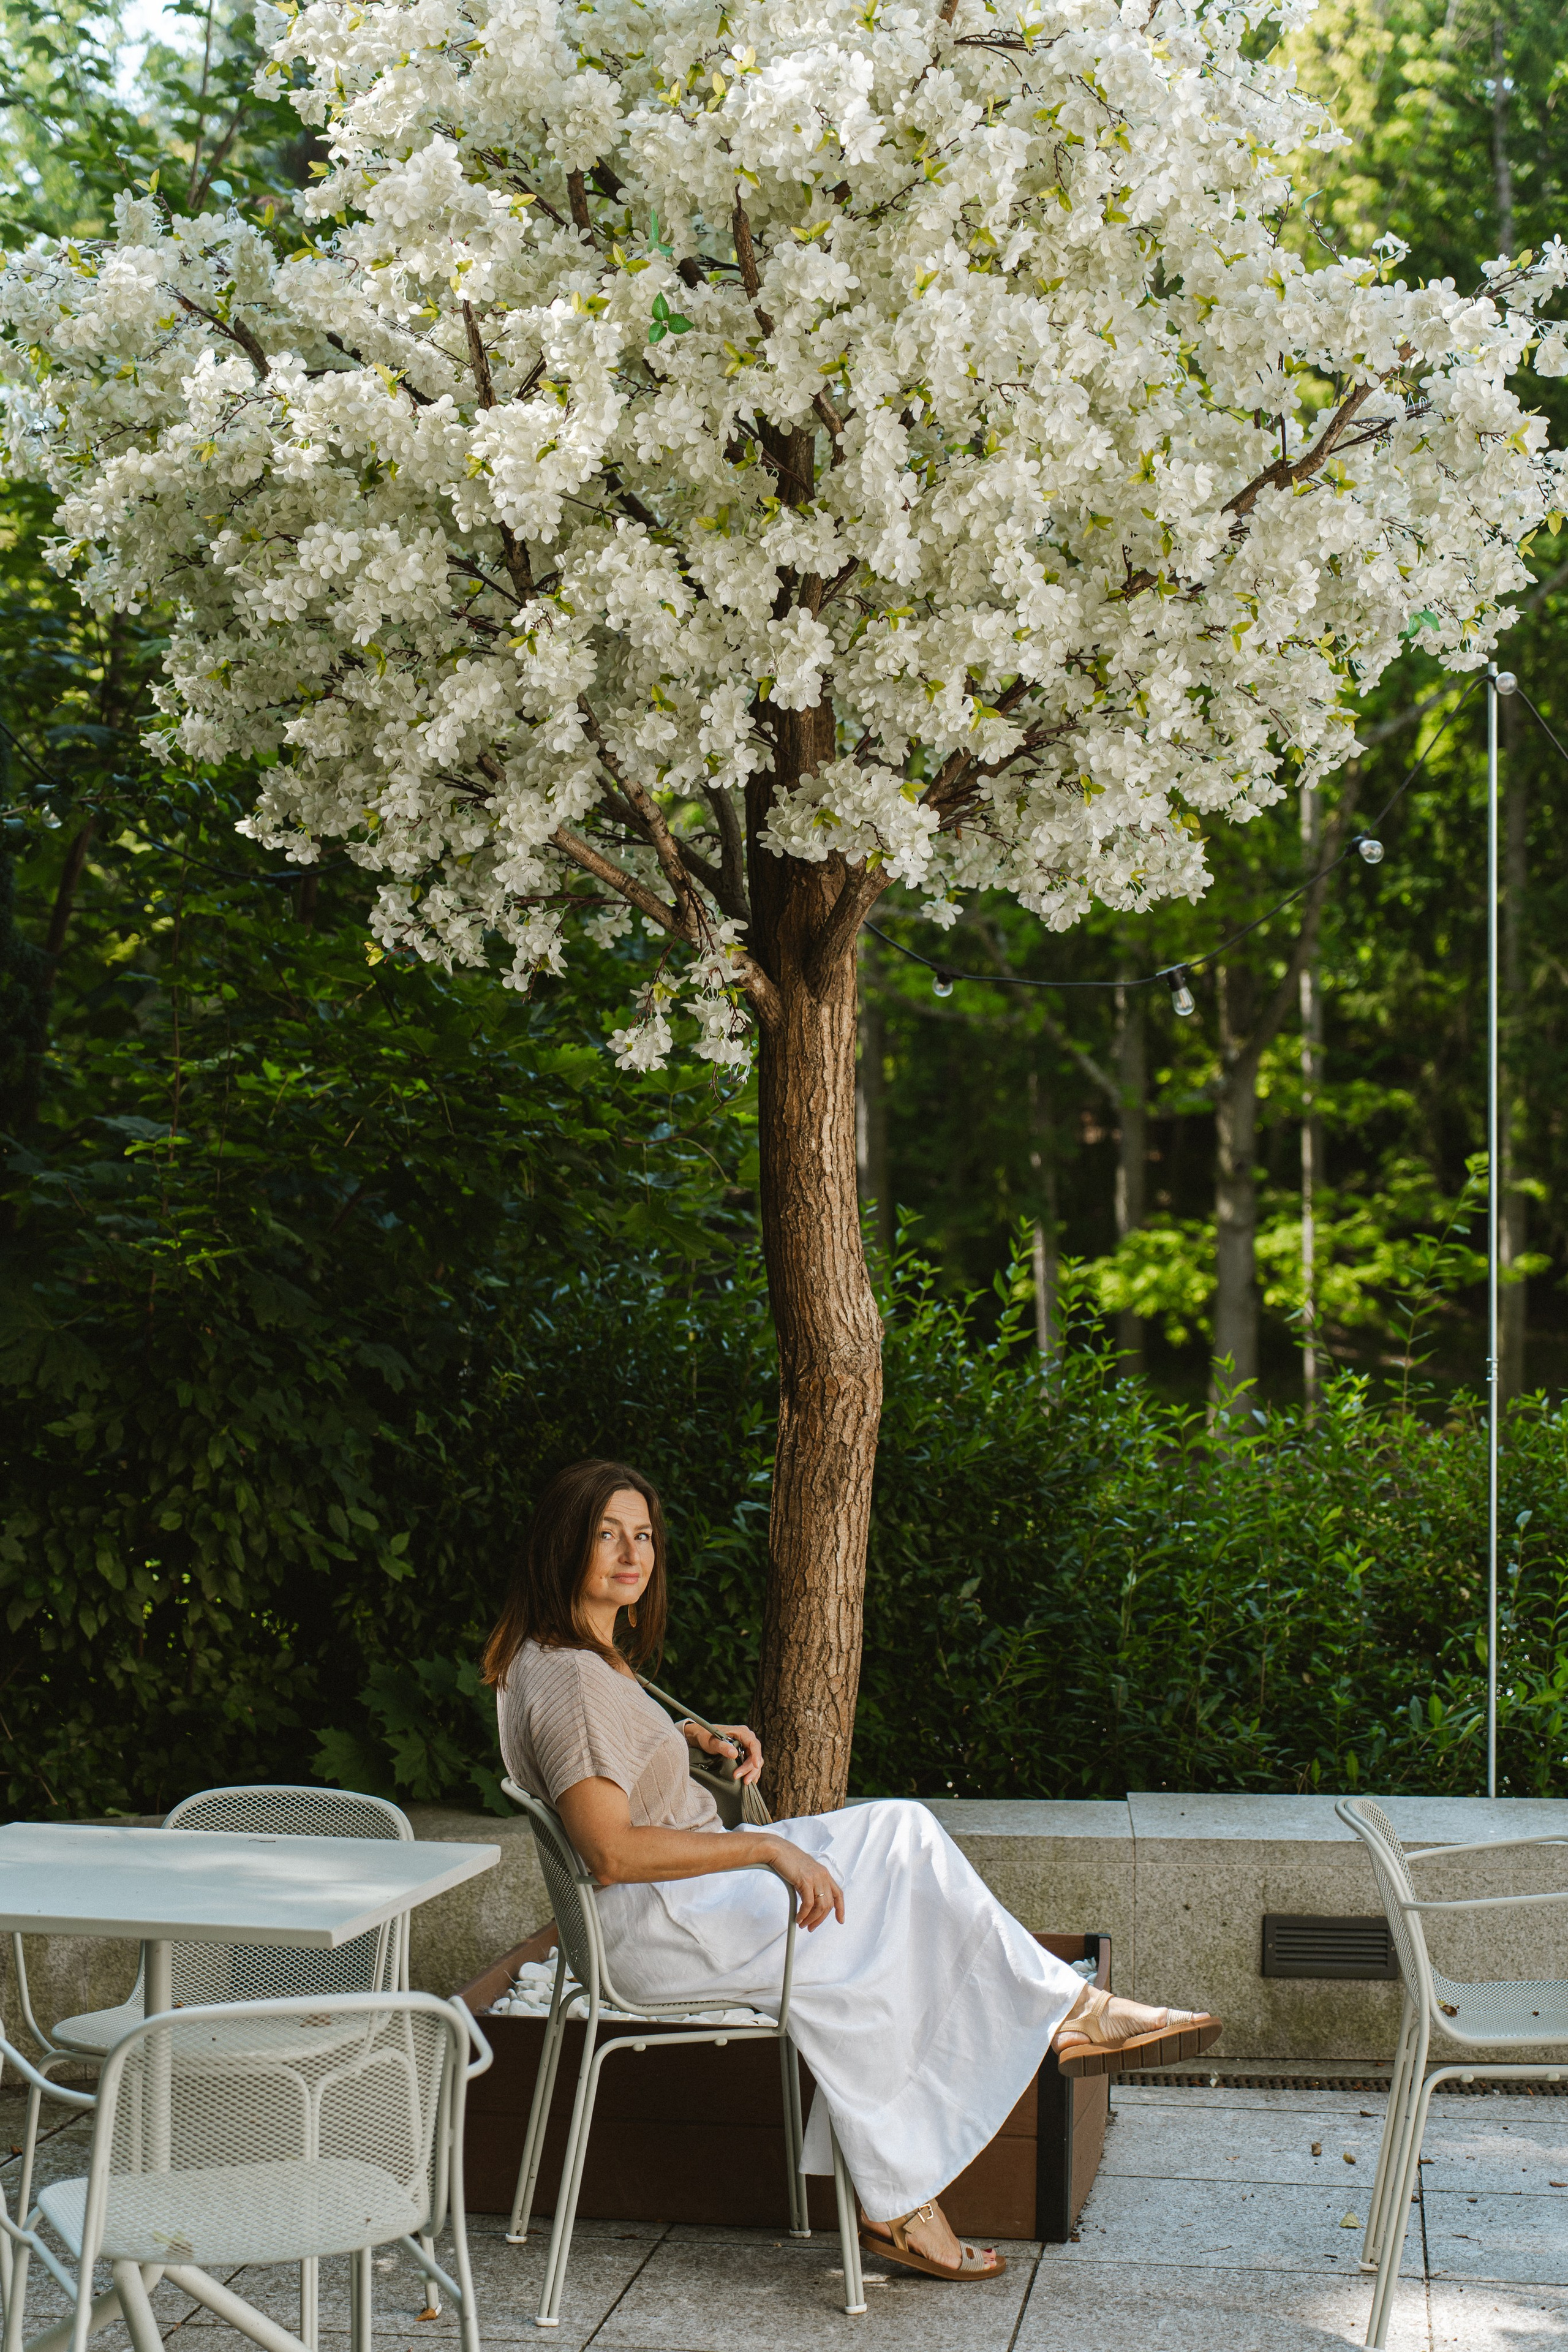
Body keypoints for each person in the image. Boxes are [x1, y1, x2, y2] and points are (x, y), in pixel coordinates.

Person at [484, 1458, 1220, 2283]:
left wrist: (685, 1739)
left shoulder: (564, 1656)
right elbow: (611, 1850)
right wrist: (767, 1846)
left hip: (679, 1904)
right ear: (563, 1546)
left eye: (644, 1534)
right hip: (665, 1922)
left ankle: (1038, 2045)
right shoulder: (575, 1680)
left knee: (901, 1849)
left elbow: (607, 1760)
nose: (633, 1554)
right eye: (607, 1535)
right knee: (885, 1912)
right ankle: (1025, 2062)